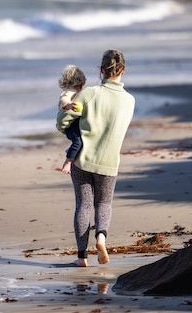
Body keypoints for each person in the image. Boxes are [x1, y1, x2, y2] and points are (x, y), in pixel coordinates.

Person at [56, 50, 135, 267]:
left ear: (101, 70)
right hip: (109, 162)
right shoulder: (129, 101)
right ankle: (101, 237)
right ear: (123, 71)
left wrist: (65, 117)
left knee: (83, 206)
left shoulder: (89, 94)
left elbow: (62, 123)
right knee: (104, 203)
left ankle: (82, 257)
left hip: (82, 160)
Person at [57, 65, 87, 174]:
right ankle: (68, 162)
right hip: (70, 125)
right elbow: (62, 100)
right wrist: (67, 105)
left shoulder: (79, 92)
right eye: (81, 84)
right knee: (78, 141)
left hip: (76, 121)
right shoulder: (68, 92)